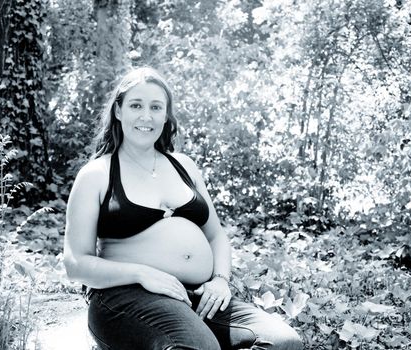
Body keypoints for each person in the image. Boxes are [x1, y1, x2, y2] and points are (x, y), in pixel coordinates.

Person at [63, 67, 304, 350]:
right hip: (125, 297)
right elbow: (75, 264)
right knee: (201, 348)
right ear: (118, 111)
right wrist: (142, 273)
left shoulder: (184, 166)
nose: (146, 116)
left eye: (156, 107)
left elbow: (216, 236)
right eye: (136, 105)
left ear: (166, 115)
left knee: (285, 343)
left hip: (198, 297)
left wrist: (220, 280)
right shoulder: (97, 174)